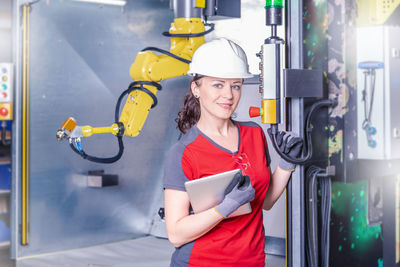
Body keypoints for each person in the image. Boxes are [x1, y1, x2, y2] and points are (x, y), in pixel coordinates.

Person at [163, 38, 303, 267]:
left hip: (252, 260)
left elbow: (264, 201)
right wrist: (224, 208)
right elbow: (176, 234)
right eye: (218, 85)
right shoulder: (183, 152)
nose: (228, 95)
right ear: (196, 88)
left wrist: (287, 164)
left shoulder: (254, 134)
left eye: (235, 85)